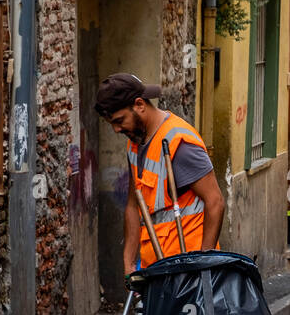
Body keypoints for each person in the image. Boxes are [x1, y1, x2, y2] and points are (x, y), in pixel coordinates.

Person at [94, 72, 226, 274]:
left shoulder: (179, 143)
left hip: (187, 266)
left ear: (139, 105)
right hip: (157, 268)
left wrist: (203, 263)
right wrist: (128, 263)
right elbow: (133, 204)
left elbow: (215, 201)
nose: (116, 130)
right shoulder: (135, 145)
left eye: (120, 120)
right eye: (111, 123)